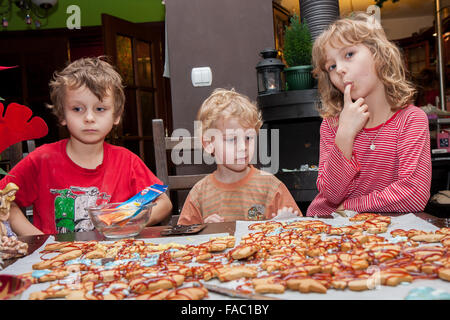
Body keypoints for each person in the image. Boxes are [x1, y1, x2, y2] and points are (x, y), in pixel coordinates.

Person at [0, 57, 172, 235]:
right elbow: (4, 200)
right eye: (77, 109)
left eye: (100, 109)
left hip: (115, 258)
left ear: (116, 116)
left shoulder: (127, 161)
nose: (89, 118)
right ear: (62, 115)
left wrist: (128, 224)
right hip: (53, 260)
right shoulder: (41, 160)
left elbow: (164, 204)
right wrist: (38, 240)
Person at [306, 12, 432, 217]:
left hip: (386, 232)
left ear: (379, 54)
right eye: (332, 66)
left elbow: (415, 194)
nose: (340, 70)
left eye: (349, 54)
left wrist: (352, 207)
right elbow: (331, 194)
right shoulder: (332, 125)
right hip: (327, 226)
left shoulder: (411, 120)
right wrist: (345, 135)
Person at [178, 88, 301, 225]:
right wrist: (203, 230)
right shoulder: (199, 194)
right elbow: (185, 238)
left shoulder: (271, 187)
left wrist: (285, 224)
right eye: (232, 139)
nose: (243, 147)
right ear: (208, 144)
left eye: (248, 137)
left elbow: (298, 228)